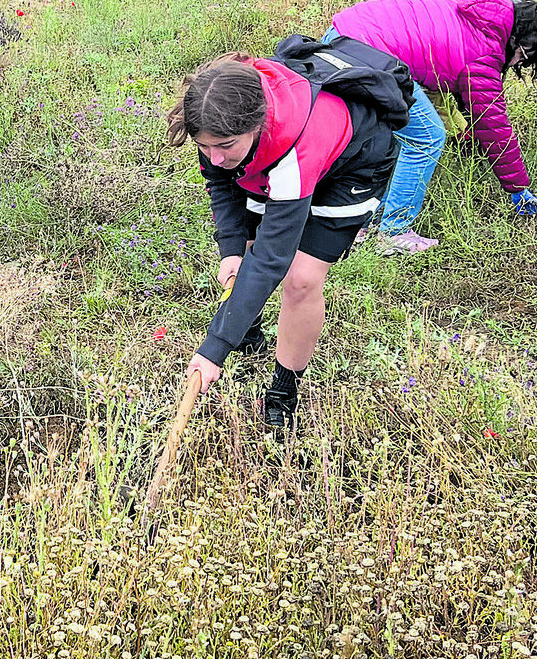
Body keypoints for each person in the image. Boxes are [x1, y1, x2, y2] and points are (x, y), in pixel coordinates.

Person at [171, 51, 400, 432]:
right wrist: (230, 249)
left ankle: (283, 391)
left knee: (300, 278)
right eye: (205, 145)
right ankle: (250, 332)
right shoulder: (216, 121)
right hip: (274, 155)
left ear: (256, 124)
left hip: (351, 166)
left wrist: (214, 348)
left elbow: (270, 260)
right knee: (244, 252)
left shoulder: (296, 152)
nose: (213, 155)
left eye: (225, 145)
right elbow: (220, 182)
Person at [331, 0, 537, 235]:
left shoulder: (482, 14)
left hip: (342, 35)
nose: (519, 65)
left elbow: (457, 99)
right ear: (523, 44)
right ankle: (394, 232)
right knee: (426, 136)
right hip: (366, 55)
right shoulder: (483, 53)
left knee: (385, 134)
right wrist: (517, 187)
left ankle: (360, 223)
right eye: (525, 59)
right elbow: (494, 127)